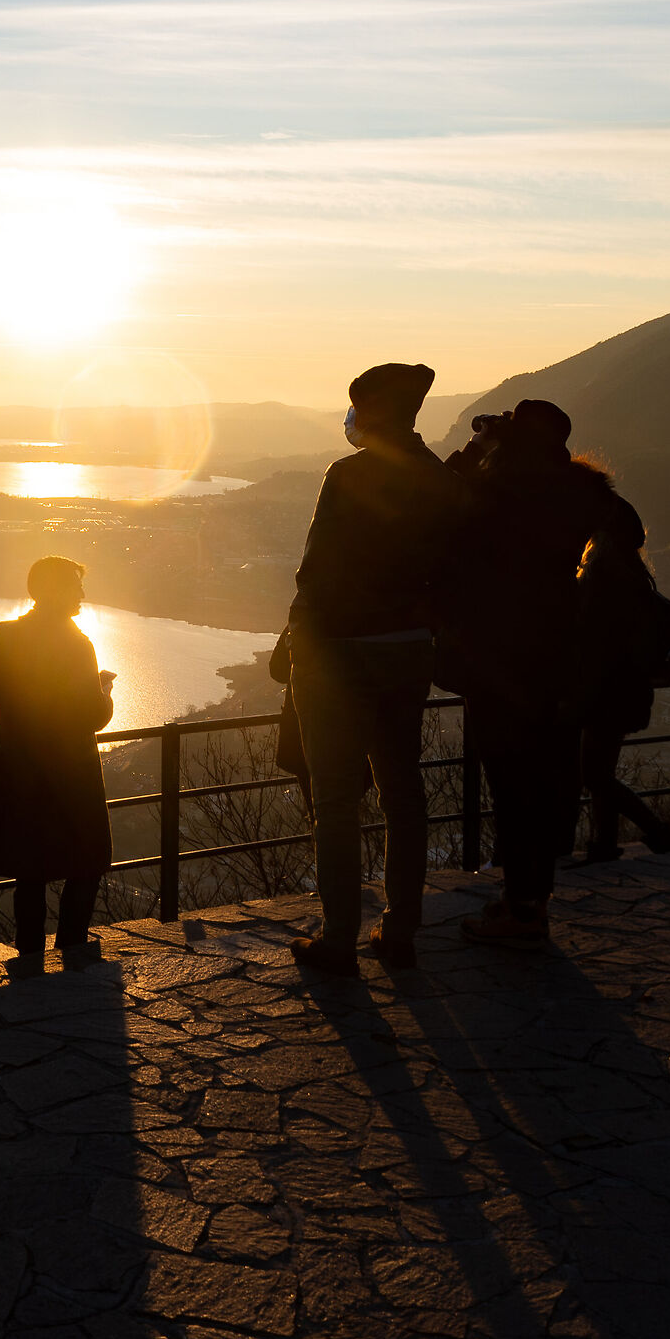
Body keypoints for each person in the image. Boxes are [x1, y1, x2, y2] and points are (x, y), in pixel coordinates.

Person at [282, 362, 467, 978]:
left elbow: (316, 568)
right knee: (402, 791)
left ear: (370, 412)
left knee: (335, 798)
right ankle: (401, 928)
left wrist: (301, 636)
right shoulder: (441, 480)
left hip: (336, 648)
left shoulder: (348, 475)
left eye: (356, 407)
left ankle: (339, 939)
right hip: (408, 648)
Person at [441, 399, 641, 950]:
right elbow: (628, 527)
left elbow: (435, 502)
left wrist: (473, 451)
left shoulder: (494, 489)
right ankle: (532, 899)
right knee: (547, 778)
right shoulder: (583, 492)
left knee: (510, 784)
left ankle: (522, 909)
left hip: (496, 654)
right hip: (558, 653)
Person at [0, 556, 115, 978]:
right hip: (70, 771)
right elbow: (93, 715)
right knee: (88, 859)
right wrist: (104, 690)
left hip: (19, 768)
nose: (82, 594)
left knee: (28, 870)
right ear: (58, 590)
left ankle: (29, 957)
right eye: (76, 585)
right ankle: (71, 947)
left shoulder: (6, 634)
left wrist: (16, 704)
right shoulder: (76, 643)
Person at [573, 518, 670, 862]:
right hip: (630, 690)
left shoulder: (598, 581)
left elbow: (589, 640)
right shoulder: (637, 582)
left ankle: (657, 832)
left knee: (594, 774)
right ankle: (604, 843)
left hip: (603, 691)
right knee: (601, 772)